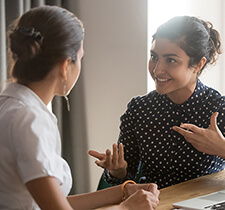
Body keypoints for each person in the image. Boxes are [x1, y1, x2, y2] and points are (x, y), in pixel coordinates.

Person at [0, 5, 160, 210]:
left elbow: (48, 204)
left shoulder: (10, 105)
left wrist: (123, 191)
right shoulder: (30, 120)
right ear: (65, 66)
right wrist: (127, 208)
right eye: (81, 57)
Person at [88, 16, 225, 189]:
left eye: (171, 60)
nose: (157, 69)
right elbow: (126, 177)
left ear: (198, 64)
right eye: (154, 56)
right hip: (155, 203)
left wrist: (221, 148)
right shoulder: (140, 109)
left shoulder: (219, 109)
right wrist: (118, 170)